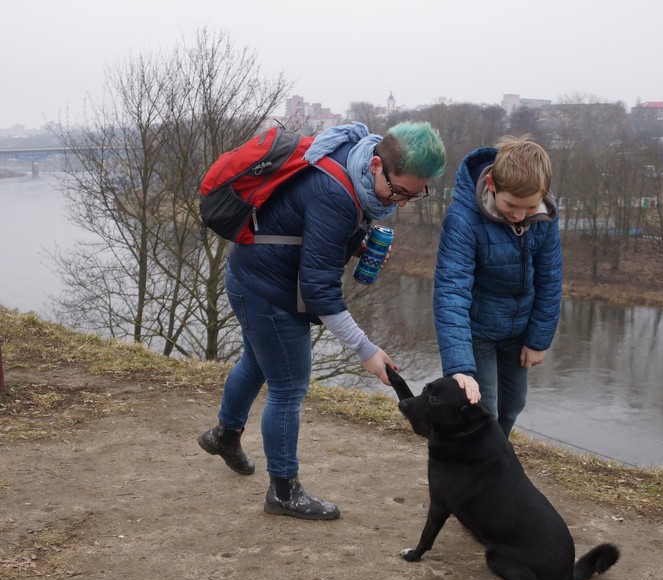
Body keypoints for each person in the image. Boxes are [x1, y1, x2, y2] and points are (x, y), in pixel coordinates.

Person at [198, 121, 448, 520]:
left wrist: (350, 242)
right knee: (289, 387)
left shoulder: (351, 156)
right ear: (378, 164)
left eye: (414, 195)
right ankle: (283, 490)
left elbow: (304, 229)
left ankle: (224, 435)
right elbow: (319, 291)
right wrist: (365, 350)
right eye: (399, 191)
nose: (401, 203)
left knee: (257, 362)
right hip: (269, 290)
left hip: (251, 275)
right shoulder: (337, 194)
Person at [433, 136, 562, 437]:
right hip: (477, 332)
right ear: (491, 184)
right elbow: (451, 291)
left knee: (513, 404)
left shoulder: (544, 217)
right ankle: (474, 471)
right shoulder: (463, 219)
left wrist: (538, 340)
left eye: (528, 208)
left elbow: (550, 279)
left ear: (542, 196)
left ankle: (492, 457)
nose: (519, 216)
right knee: (481, 407)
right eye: (512, 206)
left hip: (518, 333)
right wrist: (460, 367)